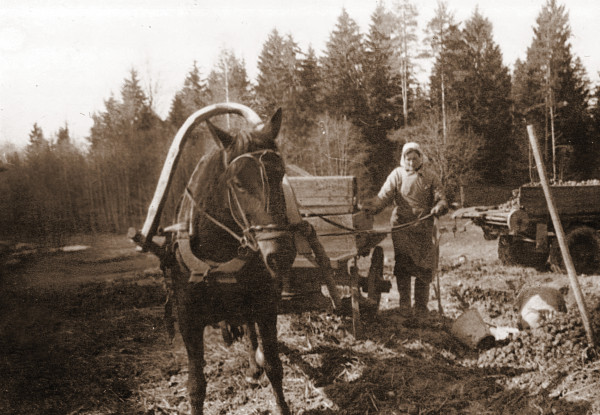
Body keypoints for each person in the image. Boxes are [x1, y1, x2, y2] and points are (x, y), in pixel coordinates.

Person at [365, 142, 448, 317]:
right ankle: (404, 305)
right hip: (402, 226)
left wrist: (439, 206)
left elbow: (441, 198)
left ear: (420, 158)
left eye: (414, 158)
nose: (411, 162)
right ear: (403, 159)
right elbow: (383, 196)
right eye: (408, 159)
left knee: (424, 268)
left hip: (424, 227)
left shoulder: (431, 176)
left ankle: (421, 307)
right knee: (404, 265)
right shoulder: (397, 175)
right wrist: (372, 207)